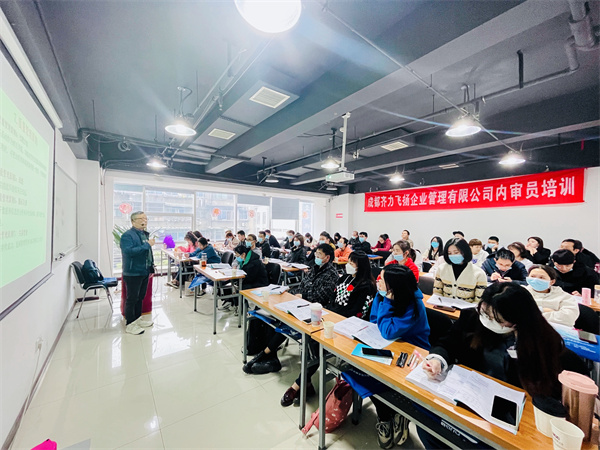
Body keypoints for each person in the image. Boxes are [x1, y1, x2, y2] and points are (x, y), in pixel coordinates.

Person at [420, 283, 587, 449]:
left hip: (513, 411)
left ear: (517, 321)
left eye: (496, 319)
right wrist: (437, 359)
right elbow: (448, 343)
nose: (487, 320)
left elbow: (553, 394)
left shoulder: (542, 344)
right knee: (429, 428)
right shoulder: (472, 318)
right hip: (471, 394)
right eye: (484, 312)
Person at [279, 251, 376, 406]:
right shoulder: (344, 278)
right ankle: (305, 382)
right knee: (309, 337)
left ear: (361, 267)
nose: (348, 266)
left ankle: (298, 384)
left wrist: (331, 314)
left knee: (315, 343)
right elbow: (332, 298)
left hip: (348, 326)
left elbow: (355, 312)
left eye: (352, 263)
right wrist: (328, 312)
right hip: (331, 318)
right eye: (349, 262)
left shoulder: (366, 286)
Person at [243, 244, 338, 374]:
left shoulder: (332, 274)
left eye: (319, 254)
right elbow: (302, 285)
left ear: (327, 257)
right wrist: (295, 293)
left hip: (316, 312)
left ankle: (265, 355)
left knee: (285, 322)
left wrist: (303, 295)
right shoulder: (314, 269)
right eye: (315, 253)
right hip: (301, 304)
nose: (316, 256)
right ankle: (270, 356)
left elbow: (322, 296)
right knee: (273, 315)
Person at [368, 264, 430, 449]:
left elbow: (388, 331)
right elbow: (374, 320)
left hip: (412, 353)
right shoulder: (384, 295)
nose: (378, 281)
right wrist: (383, 298)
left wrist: (386, 302)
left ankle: (398, 414)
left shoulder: (413, 304)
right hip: (389, 346)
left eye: (382, 279)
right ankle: (385, 416)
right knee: (365, 375)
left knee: (378, 379)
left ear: (394, 287)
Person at [120, 211, 155, 335]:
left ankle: (137, 319)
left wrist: (151, 267)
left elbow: (147, 254)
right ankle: (130, 324)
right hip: (133, 272)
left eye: (145, 218)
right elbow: (129, 252)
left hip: (144, 271)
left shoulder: (143, 234)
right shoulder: (127, 236)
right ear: (133, 221)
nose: (144, 221)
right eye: (141, 219)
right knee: (132, 299)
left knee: (140, 297)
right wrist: (147, 245)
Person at [433, 237, 487, 303]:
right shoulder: (442, 269)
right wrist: (440, 304)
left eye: (456, 252)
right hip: (444, 307)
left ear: (465, 252)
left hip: (468, 308)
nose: (453, 255)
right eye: (449, 253)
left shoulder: (479, 273)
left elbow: (479, 300)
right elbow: (437, 292)